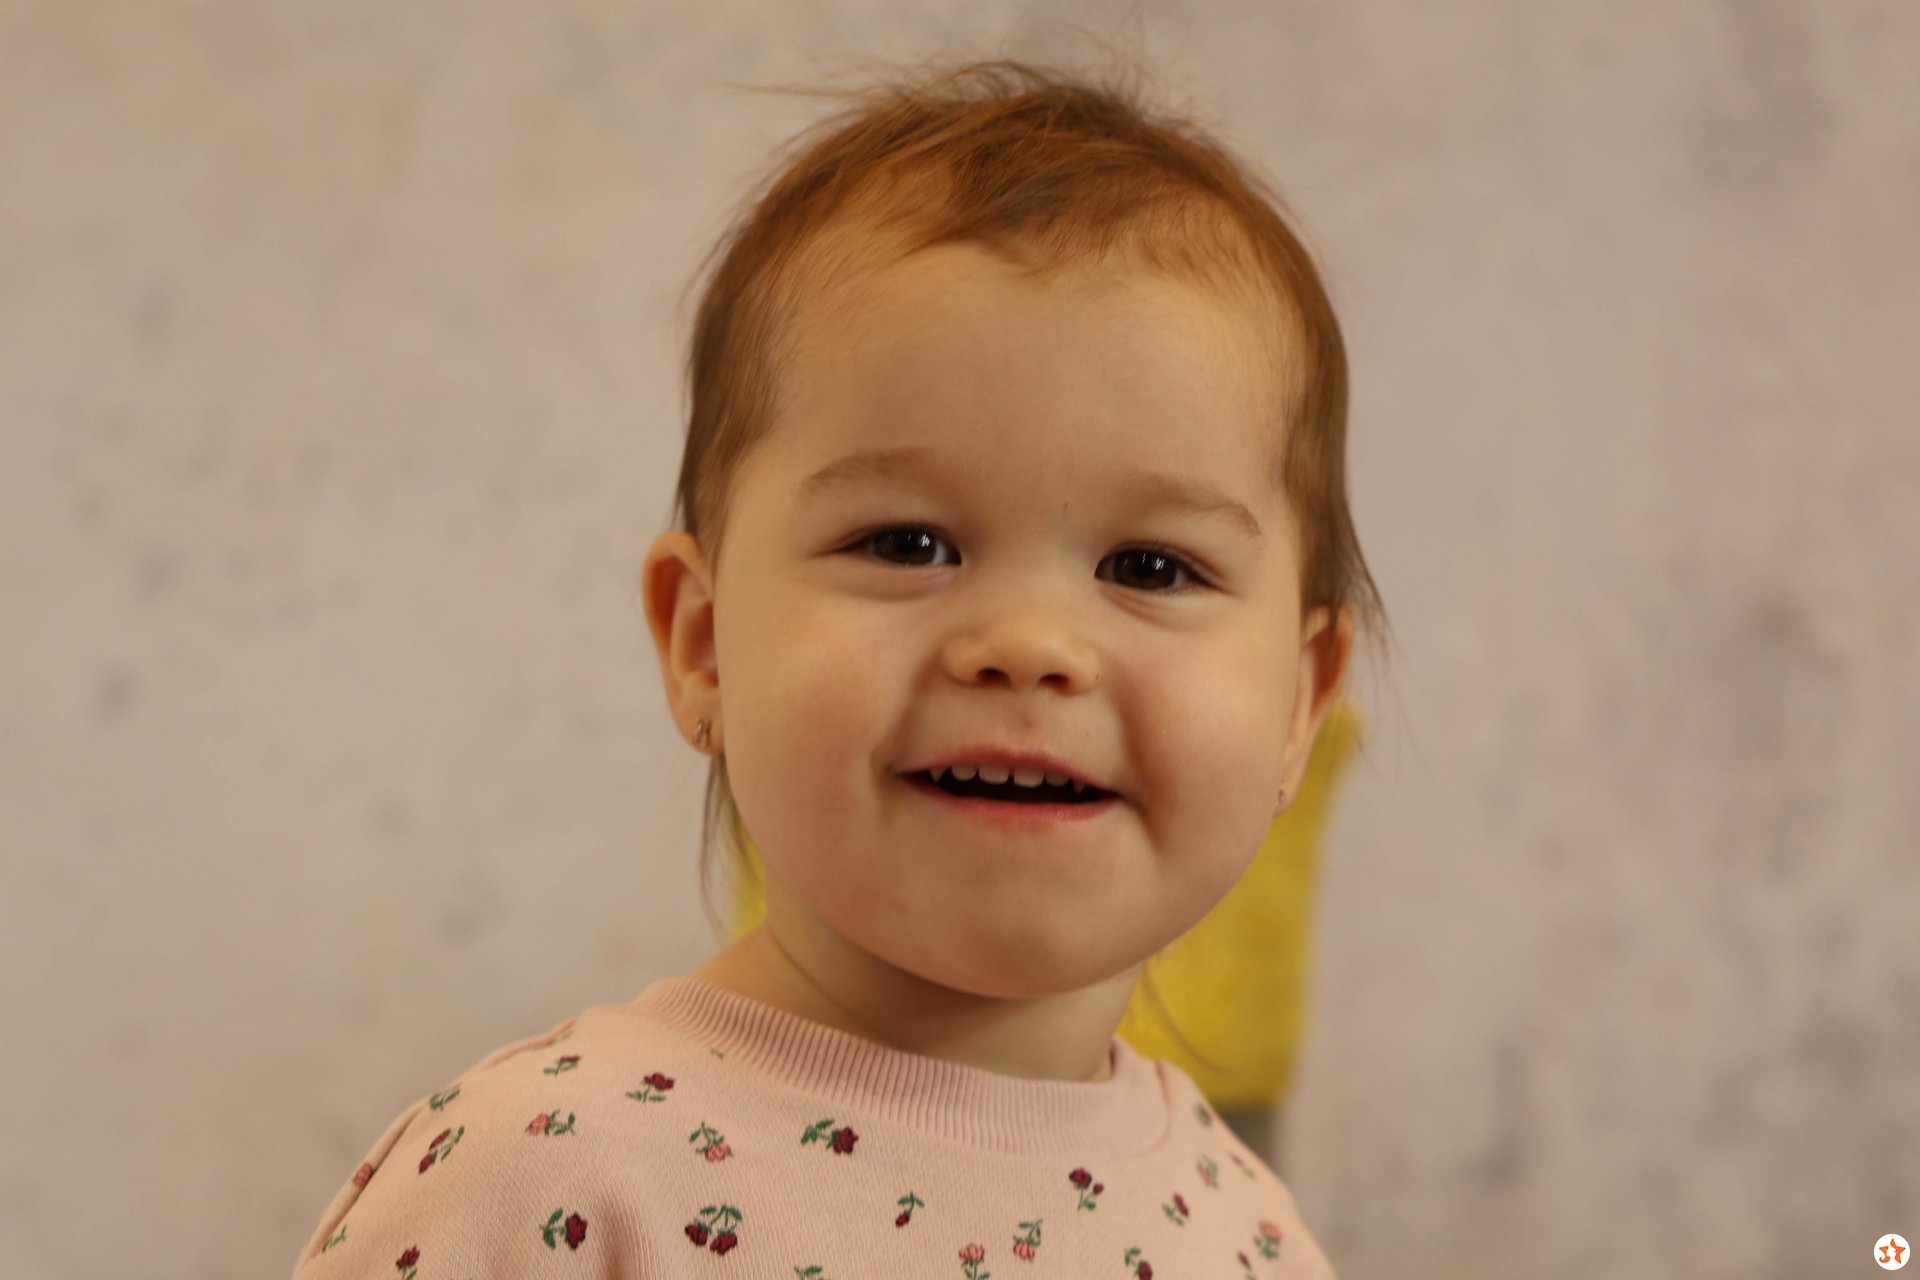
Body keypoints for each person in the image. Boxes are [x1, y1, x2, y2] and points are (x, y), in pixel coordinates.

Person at [292, 54, 1392, 1280]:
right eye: (908, 544)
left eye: (1149, 566)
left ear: (1300, 704)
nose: (1030, 644)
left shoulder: (1251, 1238)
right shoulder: (545, 1177)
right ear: (704, 642)